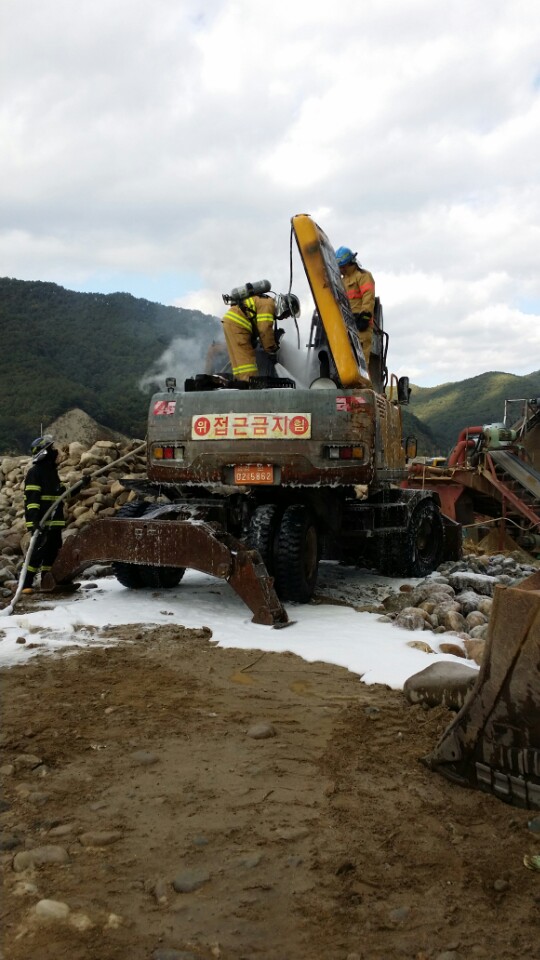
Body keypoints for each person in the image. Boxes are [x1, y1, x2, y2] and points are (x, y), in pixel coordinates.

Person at [222, 290, 300, 382]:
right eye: (287, 314)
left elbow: (259, 327)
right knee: (247, 366)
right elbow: (264, 329)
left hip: (230, 323)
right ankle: (249, 386)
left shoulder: (266, 303)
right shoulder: (268, 305)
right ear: (284, 307)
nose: (286, 317)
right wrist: (272, 349)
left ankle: (239, 383)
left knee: (239, 364)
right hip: (238, 326)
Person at [22, 435, 67, 593]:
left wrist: (81, 484)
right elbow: (32, 500)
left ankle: (47, 580)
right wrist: (34, 522)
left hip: (54, 522)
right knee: (36, 553)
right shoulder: (35, 473)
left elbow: (63, 494)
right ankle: (26, 584)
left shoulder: (52, 472)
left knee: (52, 553)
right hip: (41, 522)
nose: (55, 451)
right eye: (51, 449)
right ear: (44, 453)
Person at [335, 246, 376, 368]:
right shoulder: (341, 281)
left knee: (361, 364)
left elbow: (368, 297)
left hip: (361, 325)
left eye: (342, 267)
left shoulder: (363, 276)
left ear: (349, 263)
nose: (341, 270)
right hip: (347, 325)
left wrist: (365, 317)